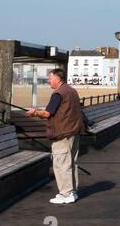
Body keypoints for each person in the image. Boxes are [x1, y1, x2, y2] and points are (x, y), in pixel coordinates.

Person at [27, 67, 89, 206]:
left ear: (57, 78)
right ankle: (72, 192)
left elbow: (47, 113)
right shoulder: (71, 91)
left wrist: (34, 112)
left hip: (62, 134)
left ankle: (65, 194)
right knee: (72, 162)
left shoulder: (58, 94)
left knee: (61, 164)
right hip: (74, 132)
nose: (48, 80)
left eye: (50, 77)